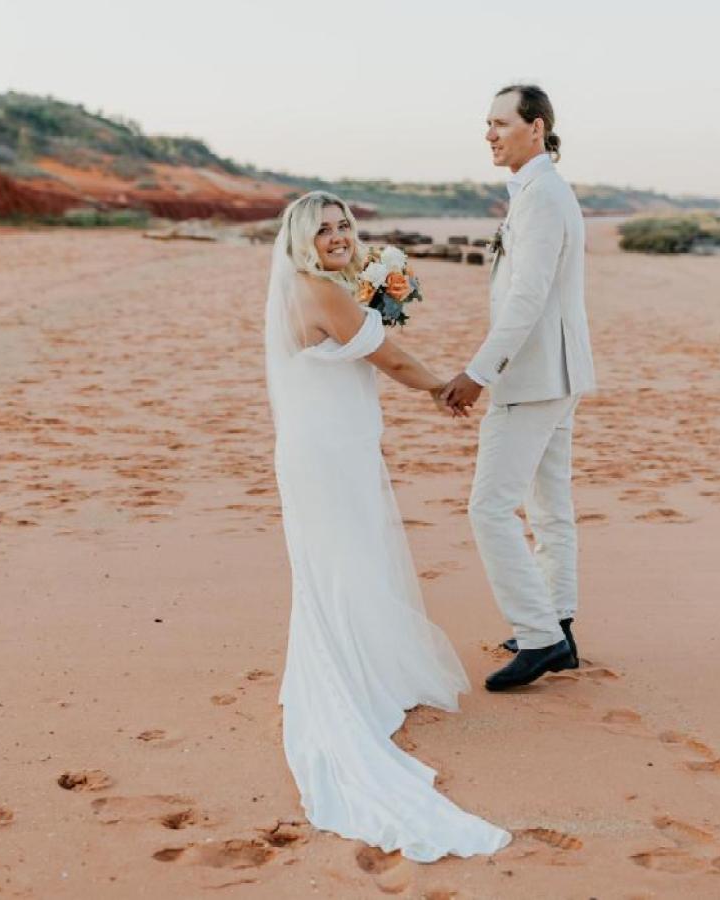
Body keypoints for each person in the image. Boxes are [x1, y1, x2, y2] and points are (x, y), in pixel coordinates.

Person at [265, 190, 511, 862]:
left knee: (342, 563)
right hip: (327, 456)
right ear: (300, 239)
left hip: (323, 449)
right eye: (324, 229)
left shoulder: (313, 288)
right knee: (344, 561)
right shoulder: (320, 293)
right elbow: (392, 360)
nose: (338, 236)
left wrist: (375, 298)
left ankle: (354, 665)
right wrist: (442, 388)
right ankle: (348, 683)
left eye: (345, 225)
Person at [441, 84, 597, 692]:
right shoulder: (542, 192)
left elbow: (528, 295)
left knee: (489, 507)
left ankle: (540, 638)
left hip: (532, 378)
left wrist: (477, 373)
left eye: (500, 123)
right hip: (558, 374)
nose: (489, 134)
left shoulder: (542, 198)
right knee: (549, 508)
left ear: (536, 128)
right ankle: (557, 621)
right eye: (486, 123)